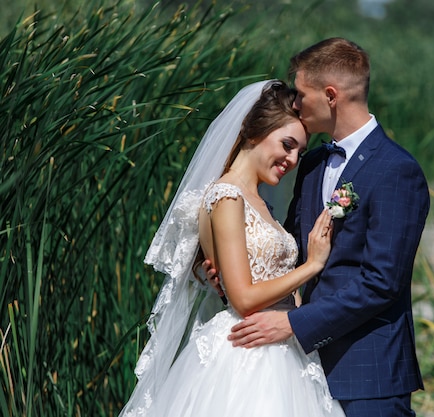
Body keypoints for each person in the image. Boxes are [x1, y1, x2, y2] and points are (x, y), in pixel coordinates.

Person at [221, 38, 431, 417]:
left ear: (330, 95)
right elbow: (289, 247)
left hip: (369, 371)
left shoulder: (396, 170)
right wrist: (232, 264)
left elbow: (382, 282)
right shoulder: (314, 162)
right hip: (299, 371)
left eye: (301, 94)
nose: (296, 104)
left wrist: (294, 323)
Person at [118, 80, 346, 417]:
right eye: (287, 144)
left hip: (283, 345)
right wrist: (311, 266)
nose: (293, 159)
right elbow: (242, 298)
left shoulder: (257, 201)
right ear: (254, 132)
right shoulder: (227, 196)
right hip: (249, 354)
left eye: (298, 151)